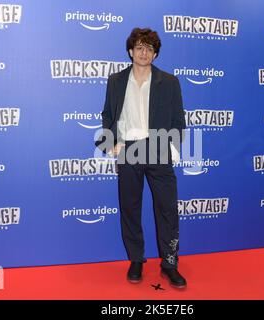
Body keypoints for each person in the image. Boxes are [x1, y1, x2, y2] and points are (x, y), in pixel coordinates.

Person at [95, 27, 187, 288]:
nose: (143, 52)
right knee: (130, 208)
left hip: (158, 149)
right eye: (139, 47)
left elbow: (178, 121)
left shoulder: (169, 82)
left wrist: (171, 149)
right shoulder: (115, 80)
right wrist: (112, 144)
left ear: (155, 54)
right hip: (128, 150)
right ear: (130, 51)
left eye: (149, 48)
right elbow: (107, 115)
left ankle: (170, 264)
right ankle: (136, 260)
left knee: (167, 210)